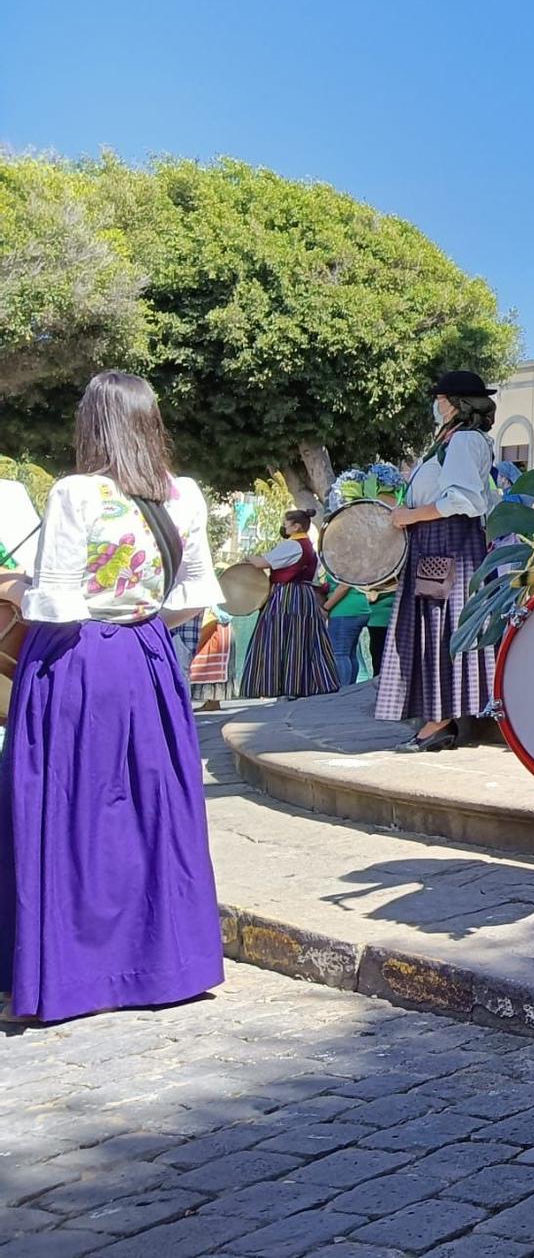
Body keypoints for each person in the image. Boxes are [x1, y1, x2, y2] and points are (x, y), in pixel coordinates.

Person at [0, 371, 226, 1022]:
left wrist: (16, 595)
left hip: (75, 661)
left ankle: (70, 975)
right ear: (150, 423)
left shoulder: (76, 493)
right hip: (148, 658)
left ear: (92, 424)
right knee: (153, 812)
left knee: (68, 812)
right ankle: (166, 967)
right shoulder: (184, 495)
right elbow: (189, 600)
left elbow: (59, 600)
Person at [376, 371, 502, 751]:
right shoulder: (453, 440)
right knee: (436, 626)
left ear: (454, 404)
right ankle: (440, 715)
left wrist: (409, 516)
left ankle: (441, 719)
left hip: (446, 542)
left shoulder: (462, 440)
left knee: (440, 626)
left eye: (441, 399)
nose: (437, 405)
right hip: (438, 541)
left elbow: (464, 500)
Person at [239, 509, 339, 699]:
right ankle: (301, 683)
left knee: (278, 637)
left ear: (296, 526)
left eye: (287, 523)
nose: (284, 526)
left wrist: (250, 558)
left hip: (287, 595)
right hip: (304, 596)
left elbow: (262, 563)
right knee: (301, 639)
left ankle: (277, 685)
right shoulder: (308, 546)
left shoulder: (293, 546)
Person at [324, 575, 372, 686]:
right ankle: (349, 688)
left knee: (339, 654)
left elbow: (344, 586)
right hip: (359, 607)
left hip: (344, 610)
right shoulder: (354, 561)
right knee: (350, 654)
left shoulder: (341, 560)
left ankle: (341, 690)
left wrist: (325, 608)